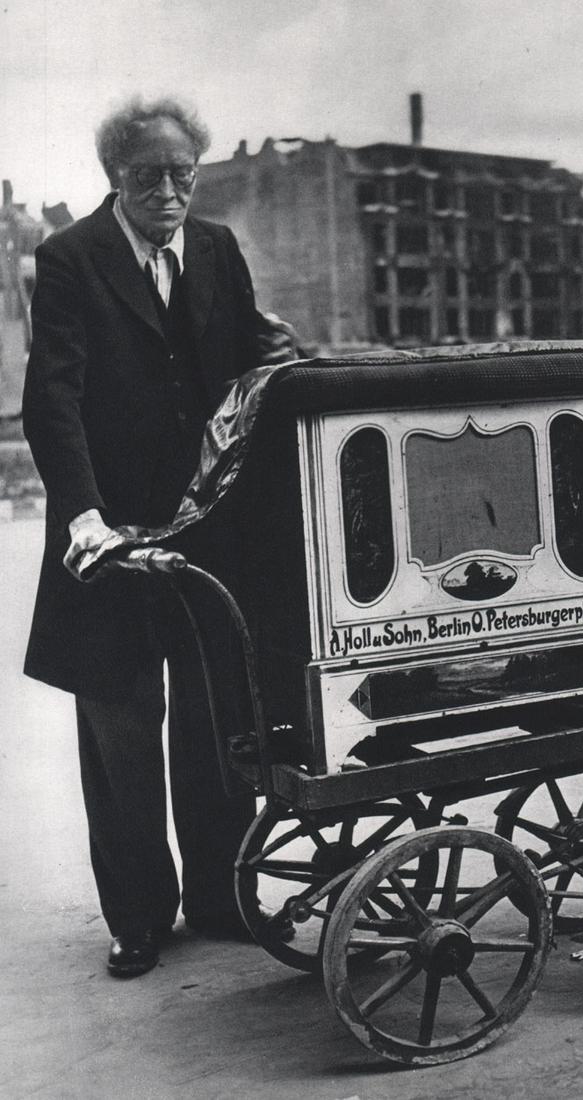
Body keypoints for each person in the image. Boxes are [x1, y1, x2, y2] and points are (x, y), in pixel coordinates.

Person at [21, 95, 296, 977]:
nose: (171, 191)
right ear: (115, 177)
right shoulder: (69, 258)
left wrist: (285, 355)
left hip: (206, 528)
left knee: (217, 723)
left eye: (184, 174)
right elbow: (52, 396)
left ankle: (221, 896)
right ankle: (138, 915)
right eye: (150, 177)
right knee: (123, 728)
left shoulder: (215, 247)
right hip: (107, 534)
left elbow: (246, 353)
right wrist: (84, 517)